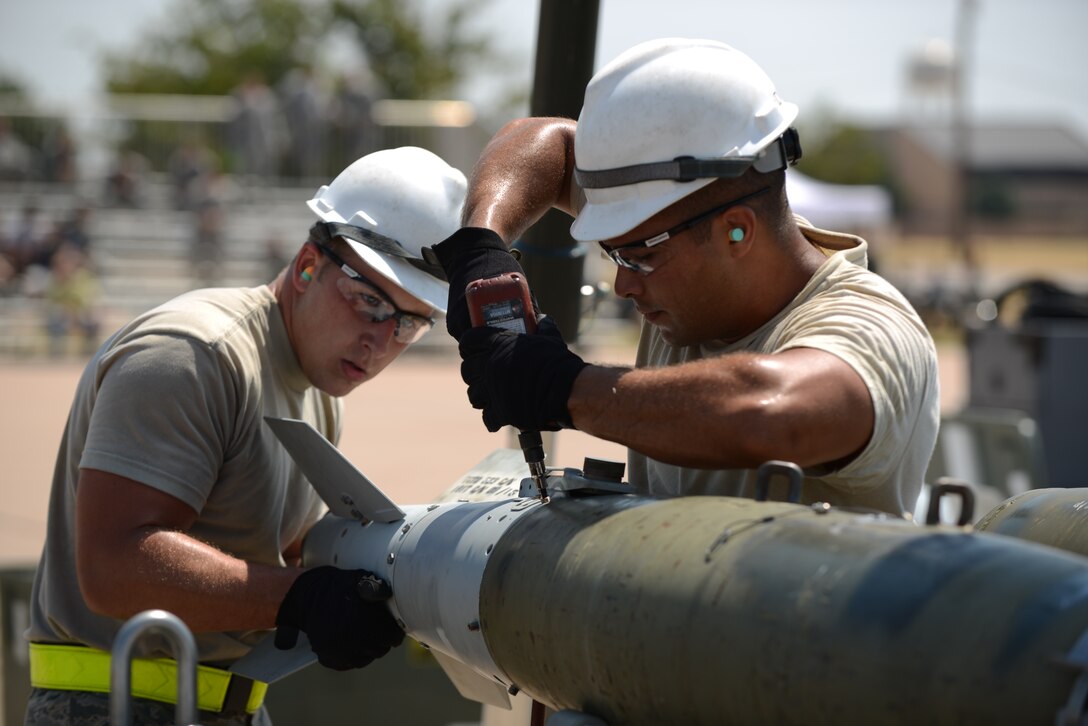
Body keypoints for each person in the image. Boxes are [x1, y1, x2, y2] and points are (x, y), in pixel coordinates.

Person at [25, 146, 466, 725]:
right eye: (370, 302)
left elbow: (276, 555)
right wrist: (299, 599)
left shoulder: (313, 388)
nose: (380, 341)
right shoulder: (193, 354)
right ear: (308, 266)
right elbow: (112, 566)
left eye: (410, 323)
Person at [431, 38, 939, 517]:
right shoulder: (680, 234)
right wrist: (483, 246)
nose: (623, 285)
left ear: (736, 233)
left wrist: (563, 388)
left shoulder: (872, 324)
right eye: (613, 255)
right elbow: (544, 142)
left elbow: (775, 415)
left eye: (637, 258)